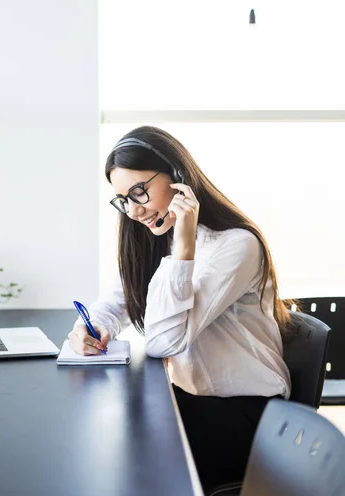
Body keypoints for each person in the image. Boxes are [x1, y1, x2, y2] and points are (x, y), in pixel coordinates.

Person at [68, 125, 291, 492]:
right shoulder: (158, 236)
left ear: (179, 177)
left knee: (123, 461)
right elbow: (115, 301)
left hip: (249, 416)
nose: (134, 210)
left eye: (140, 192)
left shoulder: (235, 246)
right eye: (123, 198)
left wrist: (183, 248)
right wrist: (89, 327)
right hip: (193, 400)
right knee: (104, 443)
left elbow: (163, 342)